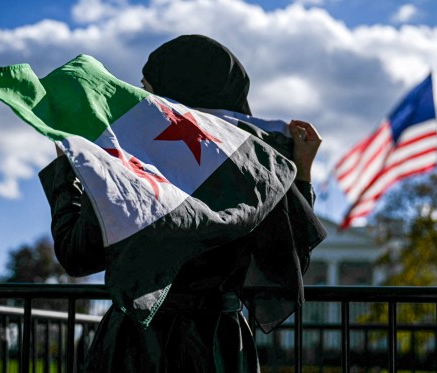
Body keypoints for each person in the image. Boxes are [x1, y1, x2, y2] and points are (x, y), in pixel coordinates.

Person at [39, 34, 324, 372]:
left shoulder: (132, 160)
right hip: (221, 347)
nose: (144, 99)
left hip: (138, 347)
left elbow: (78, 255)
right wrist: (301, 173)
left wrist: (68, 170)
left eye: (147, 88)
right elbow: (287, 258)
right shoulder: (254, 168)